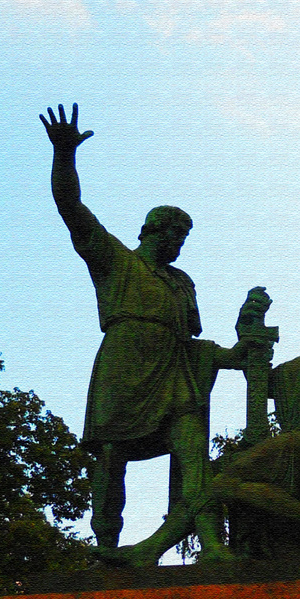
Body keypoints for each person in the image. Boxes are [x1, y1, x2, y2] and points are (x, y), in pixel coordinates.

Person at [41, 104, 249, 558]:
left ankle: (211, 543)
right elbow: (70, 207)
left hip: (173, 371)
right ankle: (106, 547)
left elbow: (195, 343)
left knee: (193, 450)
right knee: (112, 458)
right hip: (124, 362)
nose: (178, 242)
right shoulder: (116, 260)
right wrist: (64, 156)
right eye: (174, 233)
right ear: (152, 230)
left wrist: (237, 350)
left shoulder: (182, 283)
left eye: (184, 236)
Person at [104, 261, 300, 565]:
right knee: (215, 478)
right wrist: (251, 336)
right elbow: (268, 385)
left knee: (222, 480)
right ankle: (150, 550)